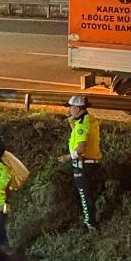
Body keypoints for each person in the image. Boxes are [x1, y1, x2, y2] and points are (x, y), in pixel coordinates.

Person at [58, 95, 101, 230]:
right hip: (92, 163)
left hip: (83, 164)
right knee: (87, 194)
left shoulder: (82, 125)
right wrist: (72, 123)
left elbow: (81, 148)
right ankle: (87, 219)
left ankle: (90, 224)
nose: (69, 110)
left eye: (70, 107)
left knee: (84, 195)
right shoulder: (90, 120)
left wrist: (67, 157)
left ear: (77, 108)